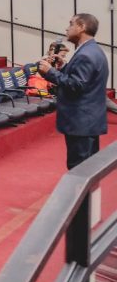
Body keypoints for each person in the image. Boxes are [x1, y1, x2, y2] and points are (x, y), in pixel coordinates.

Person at [38, 14, 109, 169]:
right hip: (88, 121)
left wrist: (50, 72)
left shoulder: (85, 54)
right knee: (87, 170)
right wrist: (63, 67)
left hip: (81, 123)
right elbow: (83, 80)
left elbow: (76, 85)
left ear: (81, 27)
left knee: (79, 170)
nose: (67, 28)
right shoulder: (93, 50)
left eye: (71, 24)